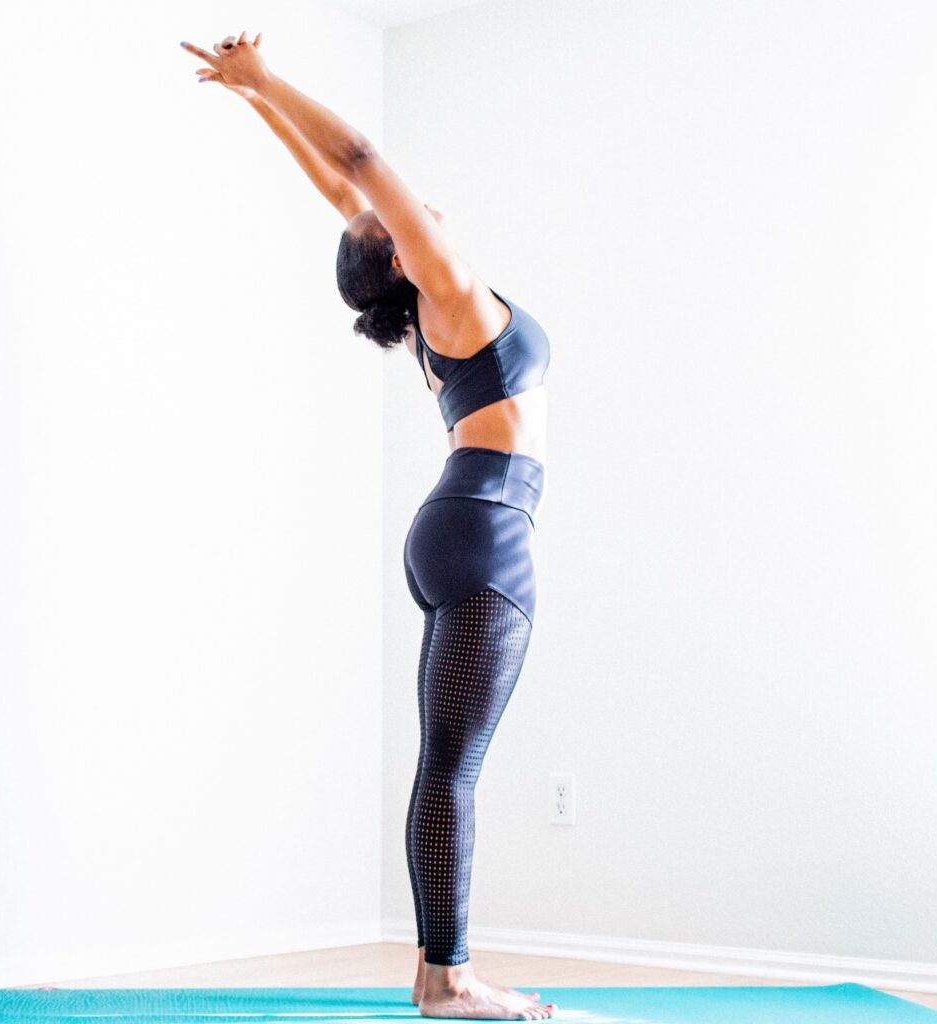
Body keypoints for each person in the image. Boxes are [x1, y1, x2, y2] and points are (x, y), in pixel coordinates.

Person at [181, 31, 555, 1022]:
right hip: (488, 525)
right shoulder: (451, 292)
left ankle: (443, 972)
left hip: (454, 523)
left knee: (445, 757)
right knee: (454, 762)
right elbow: (358, 168)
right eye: (390, 217)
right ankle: (448, 978)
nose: (398, 203)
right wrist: (266, 78)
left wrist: (257, 106)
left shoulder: (425, 301)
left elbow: (335, 193)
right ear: (395, 249)